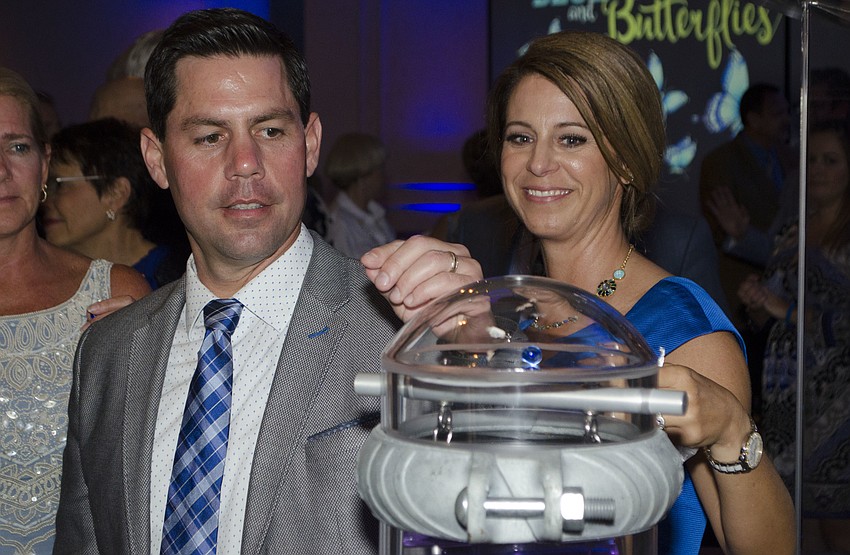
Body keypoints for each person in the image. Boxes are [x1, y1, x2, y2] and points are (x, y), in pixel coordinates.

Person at [52, 9, 478, 554]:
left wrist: (475, 350)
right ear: (156, 160)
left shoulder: (404, 330)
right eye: (210, 137)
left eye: (271, 130)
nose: (245, 163)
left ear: (310, 143)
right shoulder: (108, 354)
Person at [376, 30, 794, 554]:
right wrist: (464, 335)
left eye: (571, 139)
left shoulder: (685, 330)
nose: (538, 163)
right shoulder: (503, 309)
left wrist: (732, 429)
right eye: (520, 137)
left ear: (626, 160)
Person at [0, 67, 150, 555]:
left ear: (44, 164)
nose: (1, 170)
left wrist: (153, 359)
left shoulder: (114, 292)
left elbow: (150, 471)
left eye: (17, 147)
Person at [738, 120, 850, 553]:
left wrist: (784, 309)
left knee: (837, 529)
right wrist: (756, 300)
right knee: (796, 528)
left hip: (838, 407)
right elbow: (768, 311)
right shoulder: (793, 230)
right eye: (811, 160)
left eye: (830, 160)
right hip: (787, 399)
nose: (818, 169)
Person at [41, 117, 186, 289]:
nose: (44, 198)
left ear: (116, 193)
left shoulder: (175, 280)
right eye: (43, 186)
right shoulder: (45, 281)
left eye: (58, 184)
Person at [699, 83, 795, 327]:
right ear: (753, 119)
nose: (787, 120)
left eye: (787, 112)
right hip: (744, 293)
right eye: (777, 113)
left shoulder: (793, 158)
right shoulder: (720, 162)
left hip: (791, 295)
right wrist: (741, 235)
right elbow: (721, 232)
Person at [324, 132, 396, 258]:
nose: (383, 176)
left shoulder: (376, 214)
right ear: (363, 176)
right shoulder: (340, 224)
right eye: (379, 169)